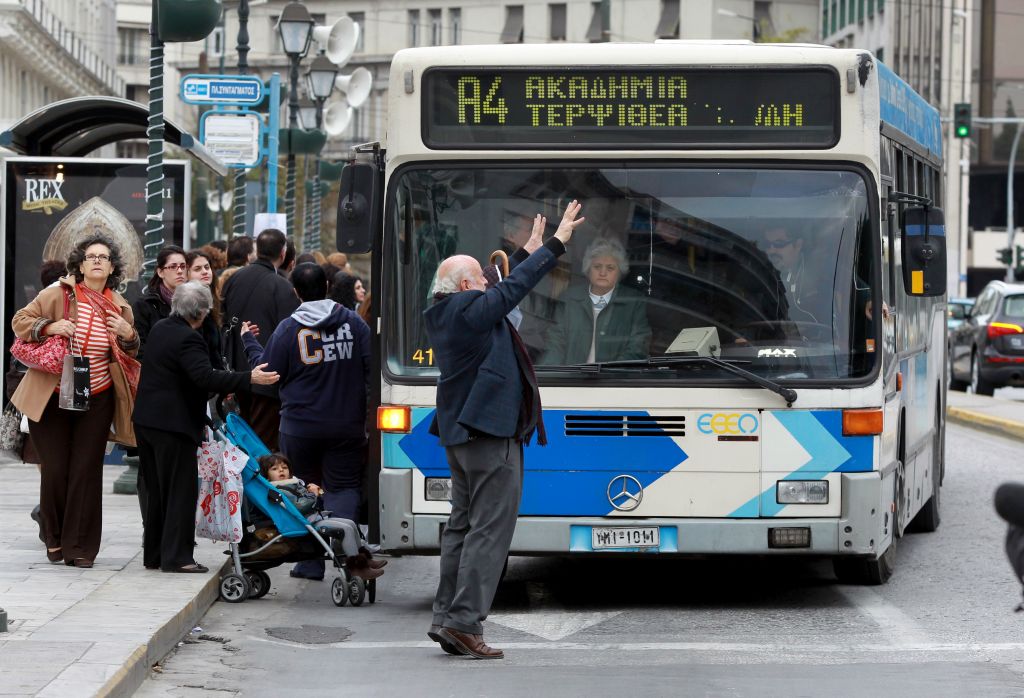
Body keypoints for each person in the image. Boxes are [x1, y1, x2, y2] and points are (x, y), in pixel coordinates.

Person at [424, 201, 584, 660]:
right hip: (489, 437)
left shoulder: (448, 310)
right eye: (480, 276)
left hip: (462, 436)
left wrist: (527, 249)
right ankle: (464, 623)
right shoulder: (470, 311)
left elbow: (496, 287)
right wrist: (553, 247)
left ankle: (446, 618)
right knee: (490, 532)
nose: (487, 279)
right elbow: (508, 290)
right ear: (468, 286)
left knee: (461, 528)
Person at [11, 234, 140, 568]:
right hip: (52, 397)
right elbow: (20, 322)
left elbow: (130, 352)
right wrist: (52, 325)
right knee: (55, 469)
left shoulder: (120, 306)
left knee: (85, 472)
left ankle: (79, 548)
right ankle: (53, 539)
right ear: (80, 265)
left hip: (96, 397)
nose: (97, 261)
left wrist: (128, 334)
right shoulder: (57, 294)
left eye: (104, 257)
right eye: (90, 256)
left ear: (112, 267)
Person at [133, 282, 279, 573]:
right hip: (172, 424)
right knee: (179, 491)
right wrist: (249, 378)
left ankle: (155, 554)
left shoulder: (162, 328)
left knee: (158, 491)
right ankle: (177, 558)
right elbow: (206, 378)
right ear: (201, 313)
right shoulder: (188, 338)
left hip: (148, 421)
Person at [239, 263, 371, 580]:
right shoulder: (353, 323)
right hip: (346, 424)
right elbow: (371, 367)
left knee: (300, 490)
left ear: (296, 291)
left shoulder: (288, 329)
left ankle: (310, 562)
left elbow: (267, 374)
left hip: (300, 427)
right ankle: (346, 557)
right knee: (343, 488)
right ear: (326, 285)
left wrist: (249, 342)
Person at [221, 228, 300, 451]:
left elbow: (224, 319)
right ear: (283, 254)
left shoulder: (234, 279)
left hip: (238, 374)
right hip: (268, 377)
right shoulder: (283, 287)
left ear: (256, 251)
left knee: (243, 439)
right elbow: (291, 335)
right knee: (264, 444)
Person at [257, 452, 384, 581]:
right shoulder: (278, 490)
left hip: (314, 518)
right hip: (306, 523)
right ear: (267, 476)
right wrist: (313, 495)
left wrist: (311, 491)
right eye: (274, 469)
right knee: (345, 529)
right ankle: (358, 568)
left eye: (284, 467)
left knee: (350, 523)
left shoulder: (292, 484)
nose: (281, 470)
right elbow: (301, 506)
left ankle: (364, 560)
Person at [541, 237, 650, 365]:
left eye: (610, 268)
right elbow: (555, 343)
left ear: (619, 272)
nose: (603, 272)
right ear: (588, 269)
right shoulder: (570, 298)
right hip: (571, 378)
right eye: (597, 266)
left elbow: (638, 346)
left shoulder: (633, 302)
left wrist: (612, 375)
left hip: (613, 381)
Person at [133, 245, 187, 360]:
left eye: (183, 266)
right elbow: (139, 349)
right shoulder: (144, 305)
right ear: (160, 272)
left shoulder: (194, 303)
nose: (180, 271)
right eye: (173, 267)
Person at [762, 225, 822, 324]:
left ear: (798, 245)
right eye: (767, 244)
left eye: (779, 244)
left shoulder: (822, 274)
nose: (771, 250)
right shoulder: (757, 272)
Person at [186, 249, 224, 368]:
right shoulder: (187, 305)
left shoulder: (213, 300)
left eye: (207, 267)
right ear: (186, 274)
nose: (205, 272)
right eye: (197, 269)